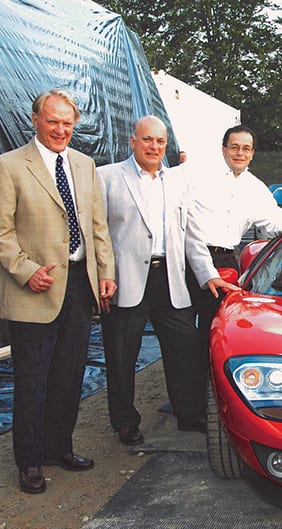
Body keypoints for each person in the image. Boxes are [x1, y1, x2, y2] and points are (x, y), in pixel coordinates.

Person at [0, 89, 116, 493]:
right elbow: (2, 232)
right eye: (53, 121)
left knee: (69, 376)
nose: (60, 129)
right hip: (35, 289)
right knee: (32, 380)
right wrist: (26, 271)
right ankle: (29, 462)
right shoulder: (10, 166)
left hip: (80, 288)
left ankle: (58, 448)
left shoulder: (84, 165)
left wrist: (106, 272)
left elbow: (97, 226)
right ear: (35, 120)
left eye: (67, 123)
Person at [97, 115, 236, 446]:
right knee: (121, 357)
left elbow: (191, 236)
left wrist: (207, 275)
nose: (154, 147)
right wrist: (102, 277)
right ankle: (125, 422)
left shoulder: (177, 182)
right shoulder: (107, 178)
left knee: (185, 349)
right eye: (147, 140)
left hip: (171, 281)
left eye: (160, 141)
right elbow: (97, 234)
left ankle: (188, 414)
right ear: (132, 141)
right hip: (126, 282)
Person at [187, 124, 282, 365]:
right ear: (223, 149)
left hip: (227, 262)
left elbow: (274, 220)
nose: (240, 153)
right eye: (234, 147)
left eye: (246, 148)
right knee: (183, 334)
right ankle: (185, 400)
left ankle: (207, 392)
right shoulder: (197, 177)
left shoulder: (256, 188)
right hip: (189, 258)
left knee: (216, 330)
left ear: (252, 153)